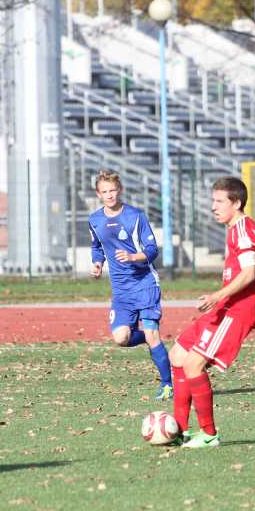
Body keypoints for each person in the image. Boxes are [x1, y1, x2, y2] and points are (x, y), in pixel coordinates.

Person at [168, 177, 255, 448]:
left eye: (219, 201)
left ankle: (209, 434)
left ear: (236, 203)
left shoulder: (243, 229)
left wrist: (217, 296)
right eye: (213, 200)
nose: (213, 207)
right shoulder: (238, 228)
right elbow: (253, 270)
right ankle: (180, 429)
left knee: (193, 364)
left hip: (234, 311)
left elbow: (248, 273)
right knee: (177, 355)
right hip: (225, 306)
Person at [88, 170, 173, 401]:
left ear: (120, 189)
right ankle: (149, 338)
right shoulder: (94, 220)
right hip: (121, 290)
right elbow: (97, 245)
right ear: (98, 194)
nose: (109, 195)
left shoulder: (135, 216)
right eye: (104, 191)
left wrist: (134, 257)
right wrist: (97, 263)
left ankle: (168, 384)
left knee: (153, 334)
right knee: (121, 338)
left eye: (113, 190)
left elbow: (152, 250)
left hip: (145, 284)